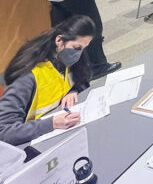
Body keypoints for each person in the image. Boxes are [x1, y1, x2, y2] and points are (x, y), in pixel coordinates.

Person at [0, 15, 96, 145]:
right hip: (31, 142)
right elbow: (4, 132)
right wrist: (52, 123)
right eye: (77, 48)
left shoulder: (68, 58)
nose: (79, 54)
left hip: (61, 133)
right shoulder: (27, 77)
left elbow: (84, 79)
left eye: (84, 48)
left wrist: (73, 91)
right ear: (59, 41)